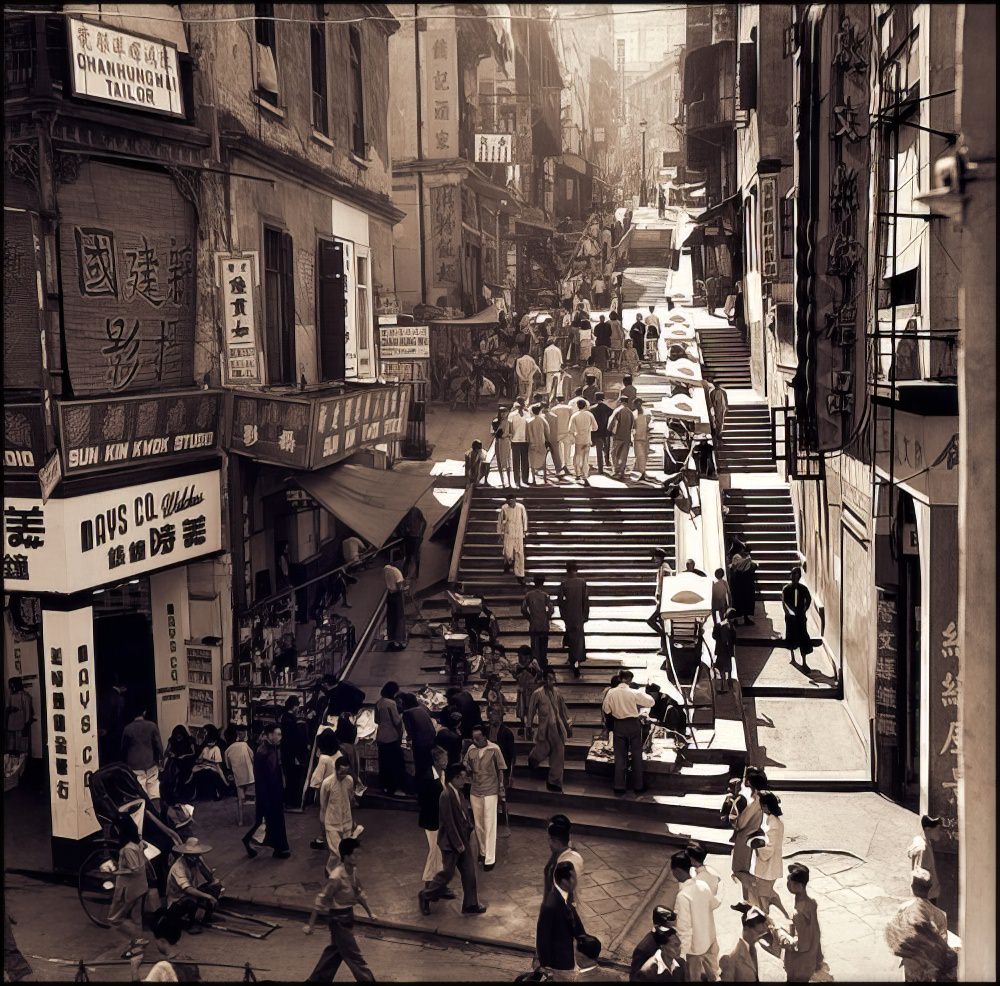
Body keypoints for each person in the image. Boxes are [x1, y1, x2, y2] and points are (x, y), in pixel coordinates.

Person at [419, 763, 487, 915]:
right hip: (451, 844)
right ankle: (425, 895)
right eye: (462, 778)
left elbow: (463, 814)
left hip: (463, 839)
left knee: (469, 873)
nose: (464, 781)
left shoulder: (459, 792)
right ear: (454, 778)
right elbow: (448, 823)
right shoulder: (445, 795)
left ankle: (470, 904)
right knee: (446, 875)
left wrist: (469, 828)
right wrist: (458, 844)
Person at [303, 837, 375, 982]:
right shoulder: (336, 877)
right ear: (346, 856)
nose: (358, 857)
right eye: (355, 855)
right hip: (338, 920)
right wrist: (310, 925)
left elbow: (358, 892)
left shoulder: (352, 870)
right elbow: (320, 900)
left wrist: (370, 912)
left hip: (348, 917)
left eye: (359, 854)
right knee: (355, 957)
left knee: (334, 953)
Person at [885, 869, 953, 982]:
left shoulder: (904, 909)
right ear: (930, 887)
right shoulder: (940, 915)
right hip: (929, 965)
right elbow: (943, 942)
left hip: (911, 963)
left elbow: (896, 936)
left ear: (912, 887)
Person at [107, 813, 156, 961]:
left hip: (128, 888)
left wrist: (117, 871)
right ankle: (137, 947)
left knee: (114, 918)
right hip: (140, 885)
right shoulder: (138, 842)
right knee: (136, 918)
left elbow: (133, 868)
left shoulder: (127, 848)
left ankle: (138, 939)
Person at [602, 669, 655, 795]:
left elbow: (606, 709)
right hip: (633, 725)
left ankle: (619, 786)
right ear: (630, 680)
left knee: (620, 757)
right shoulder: (633, 692)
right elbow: (651, 702)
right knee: (637, 756)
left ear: (620, 678)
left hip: (619, 725)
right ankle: (638, 786)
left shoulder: (611, 692)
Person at [463, 724, 507, 871]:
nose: (475, 740)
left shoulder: (494, 749)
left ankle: (490, 857)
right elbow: (465, 764)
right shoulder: (471, 749)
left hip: (490, 790)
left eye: (478, 738)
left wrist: (501, 787)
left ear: (485, 737)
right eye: (474, 738)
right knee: (479, 824)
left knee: (490, 824)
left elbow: (501, 769)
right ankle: (482, 852)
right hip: (475, 790)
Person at [671, 849, 720, 980]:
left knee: (694, 978)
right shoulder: (703, 884)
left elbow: (684, 929)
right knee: (713, 975)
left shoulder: (683, 896)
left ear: (677, 871)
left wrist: (681, 955)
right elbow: (714, 904)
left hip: (695, 949)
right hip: (709, 939)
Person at [242, 723, 289, 858]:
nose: (280, 737)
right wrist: (264, 796)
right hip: (267, 792)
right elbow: (261, 777)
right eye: (278, 734)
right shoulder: (262, 752)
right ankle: (278, 848)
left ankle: (280, 848)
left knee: (273, 821)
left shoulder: (273, 748)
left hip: (275, 790)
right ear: (269, 735)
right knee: (265, 821)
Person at [161, 838, 223, 940]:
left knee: (216, 885)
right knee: (191, 901)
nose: (196, 857)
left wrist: (203, 866)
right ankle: (191, 924)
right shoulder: (178, 867)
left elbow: (210, 878)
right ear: (186, 855)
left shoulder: (196, 860)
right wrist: (209, 897)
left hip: (190, 893)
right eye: (193, 855)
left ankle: (207, 916)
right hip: (177, 901)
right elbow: (187, 889)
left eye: (197, 854)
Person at [536, 861, 590, 978]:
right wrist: (546, 965)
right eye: (574, 878)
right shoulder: (551, 905)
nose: (576, 881)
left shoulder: (566, 894)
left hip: (568, 955)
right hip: (558, 963)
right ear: (565, 882)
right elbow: (542, 936)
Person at [773, 863, 824, 983]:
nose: (788, 885)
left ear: (800, 885)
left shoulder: (798, 914)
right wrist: (818, 956)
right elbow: (816, 932)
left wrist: (779, 934)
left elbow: (800, 945)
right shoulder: (811, 903)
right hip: (809, 961)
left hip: (798, 965)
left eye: (790, 882)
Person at [526, 670, 572, 792]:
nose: (551, 681)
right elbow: (530, 711)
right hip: (544, 729)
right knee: (541, 750)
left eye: (552, 678)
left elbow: (563, 710)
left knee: (558, 754)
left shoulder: (557, 692)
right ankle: (533, 758)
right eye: (548, 678)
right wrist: (528, 726)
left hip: (558, 728)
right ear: (544, 680)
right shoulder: (538, 693)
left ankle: (554, 781)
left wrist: (568, 725)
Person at [417, 746, 453, 894]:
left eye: (446, 758)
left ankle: (439, 885)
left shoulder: (443, 774)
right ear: (436, 761)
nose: (446, 762)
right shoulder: (427, 778)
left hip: (442, 821)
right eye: (443, 759)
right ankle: (427, 886)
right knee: (434, 851)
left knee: (440, 853)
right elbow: (424, 802)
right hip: (432, 821)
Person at [730, 766, 768, 903]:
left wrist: (734, 818)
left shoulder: (753, 801)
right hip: (751, 836)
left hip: (745, 837)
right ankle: (747, 900)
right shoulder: (761, 798)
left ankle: (755, 898)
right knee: (744, 869)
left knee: (739, 871)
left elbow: (740, 823)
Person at [749, 791, 789, 918]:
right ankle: (786, 915)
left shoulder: (774, 825)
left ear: (766, 807)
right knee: (769, 894)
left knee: (763, 898)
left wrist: (756, 847)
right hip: (769, 867)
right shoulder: (773, 822)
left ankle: (766, 923)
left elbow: (768, 849)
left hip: (768, 869)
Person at [121, 705, 164, 810]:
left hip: (135, 766)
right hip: (150, 763)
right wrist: (160, 760)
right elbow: (158, 745)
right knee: (154, 792)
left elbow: (123, 749)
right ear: (144, 712)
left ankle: (145, 819)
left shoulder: (127, 729)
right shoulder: (152, 726)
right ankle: (157, 816)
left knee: (141, 795)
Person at [320, 759, 358, 867]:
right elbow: (323, 806)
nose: (343, 775)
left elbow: (350, 800)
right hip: (332, 824)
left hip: (347, 821)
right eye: (341, 772)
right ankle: (331, 872)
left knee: (346, 852)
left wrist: (353, 821)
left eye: (346, 772)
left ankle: (341, 875)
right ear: (336, 770)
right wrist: (322, 824)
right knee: (336, 853)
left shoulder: (349, 780)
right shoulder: (327, 783)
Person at [309, 730, 343, 850]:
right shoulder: (339, 754)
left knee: (324, 814)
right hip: (339, 788)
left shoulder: (324, 759)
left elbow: (316, 780)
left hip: (326, 790)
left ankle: (324, 838)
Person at [631, 909, 686, 982]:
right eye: (669, 926)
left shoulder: (680, 963)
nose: (673, 927)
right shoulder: (643, 950)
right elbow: (635, 977)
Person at [720, 905, 771, 981]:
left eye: (762, 933)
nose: (760, 937)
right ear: (746, 929)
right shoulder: (730, 957)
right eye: (758, 932)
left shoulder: (757, 950)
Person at [557, 560, 590, 675]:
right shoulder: (582, 582)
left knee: (571, 639)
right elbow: (586, 600)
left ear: (567, 571)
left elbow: (560, 601)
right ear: (576, 570)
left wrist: (563, 615)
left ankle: (573, 661)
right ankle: (576, 662)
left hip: (569, 616)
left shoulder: (564, 583)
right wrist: (585, 615)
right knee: (579, 640)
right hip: (579, 615)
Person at [375, 681, 406, 796]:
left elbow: (376, 720)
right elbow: (397, 721)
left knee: (383, 763)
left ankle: (384, 787)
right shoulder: (391, 703)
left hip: (381, 736)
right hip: (391, 737)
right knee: (395, 763)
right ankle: (394, 788)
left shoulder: (378, 703)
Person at [542, 816, 585, 894]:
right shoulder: (566, 852)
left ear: (556, 841)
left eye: (549, 839)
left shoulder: (565, 866)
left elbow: (565, 895)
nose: (549, 843)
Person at [401, 692, 438, 780]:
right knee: (429, 765)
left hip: (421, 743)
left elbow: (410, 732)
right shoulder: (422, 708)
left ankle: (421, 785)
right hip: (431, 740)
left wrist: (408, 740)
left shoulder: (407, 713)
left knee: (420, 766)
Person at [782, 567, 813, 668]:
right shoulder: (786, 589)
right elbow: (784, 603)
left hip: (800, 617)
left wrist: (804, 610)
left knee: (803, 637)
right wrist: (788, 613)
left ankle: (804, 661)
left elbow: (808, 600)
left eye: (797, 575)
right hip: (791, 618)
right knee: (791, 636)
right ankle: (792, 657)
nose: (795, 577)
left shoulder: (803, 589)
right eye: (793, 575)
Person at [522, 575, 554, 672]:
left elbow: (523, 609)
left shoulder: (528, 595)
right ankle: (543, 666)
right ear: (543, 583)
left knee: (534, 647)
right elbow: (551, 609)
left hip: (534, 625)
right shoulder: (545, 595)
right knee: (543, 647)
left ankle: (535, 667)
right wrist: (546, 617)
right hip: (544, 625)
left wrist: (530, 618)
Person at [190, 724, 230, 802]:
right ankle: (197, 793)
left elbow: (221, 760)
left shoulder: (220, 744)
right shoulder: (205, 744)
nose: (204, 734)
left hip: (217, 766)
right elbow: (200, 755)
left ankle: (216, 792)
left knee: (210, 773)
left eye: (205, 732)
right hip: (204, 765)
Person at [497, 494, 529, 584]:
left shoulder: (521, 507)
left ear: (515, 499)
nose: (511, 501)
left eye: (512, 499)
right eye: (509, 500)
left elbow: (524, 518)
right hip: (508, 533)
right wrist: (500, 533)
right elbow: (500, 522)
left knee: (519, 554)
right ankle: (507, 564)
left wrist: (525, 531)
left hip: (518, 533)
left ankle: (520, 575)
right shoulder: (504, 508)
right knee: (508, 553)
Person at [568, 398, 598, 485]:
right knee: (585, 458)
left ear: (577, 406)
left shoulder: (574, 415)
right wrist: (588, 429)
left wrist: (576, 433)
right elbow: (595, 427)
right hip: (587, 439)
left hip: (578, 439)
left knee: (577, 456)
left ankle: (577, 474)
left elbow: (570, 429)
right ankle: (585, 475)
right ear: (585, 405)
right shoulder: (589, 415)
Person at [515, 646, 543, 734]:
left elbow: (540, 674)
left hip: (531, 690)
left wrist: (536, 676)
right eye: (519, 656)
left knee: (530, 708)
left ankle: (529, 726)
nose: (519, 657)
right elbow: (517, 677)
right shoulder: (518, 665)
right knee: (521, 708)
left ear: (527, 656)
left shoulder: (533, 663)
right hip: (522, 689)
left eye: (521, 656)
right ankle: (522, 724)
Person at [4, 677, 34, 757]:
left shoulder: (25, 697)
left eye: (12, 686)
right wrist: (10, 709)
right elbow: (7, 708)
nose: (10, 688)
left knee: (21, 749)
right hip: (11, 726)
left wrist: (26, 726)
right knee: (11, 748)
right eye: (9, 686)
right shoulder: (10, 696)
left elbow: (28, 713)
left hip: (21, 727)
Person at [729, 550, 759, 626]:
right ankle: (745, 619)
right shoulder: (749, 567)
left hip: (737, 590)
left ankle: (737, 620)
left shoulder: (734, 570)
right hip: (746, 590)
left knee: (737, 604)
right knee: (746, 604)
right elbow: (755, 566)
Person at [609, 395, 635, 479]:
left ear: (620, 401)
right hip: (626, 436)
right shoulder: (630, 412)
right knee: (624, 455)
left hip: (618, 436)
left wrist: (611, 432)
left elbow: (612, 424)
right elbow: (632, 425)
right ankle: (622, 471)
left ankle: (616, 470)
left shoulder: (617, 411)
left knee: (614, 453)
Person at [712, 609, 738, 693]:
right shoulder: (728, 627)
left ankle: (722, 687)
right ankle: (724, 687)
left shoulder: (721, 626)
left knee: (722, 669)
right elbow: (734, 640)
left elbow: (715, 636)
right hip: (724, 651)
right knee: (724, 669)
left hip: (722, 650)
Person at [383, 563, 407, 650]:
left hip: (390, 595)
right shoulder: (397, 572)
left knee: (391, 618)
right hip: (397, 596)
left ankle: (391, 640)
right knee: (399, 618)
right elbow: (400, 587)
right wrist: (406, 588)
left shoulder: (386, 569)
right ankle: (399, 641)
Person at [549, 394, 575, 474]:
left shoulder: (553, 409)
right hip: (567, 432)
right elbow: (571, 420)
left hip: (557, 432)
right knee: (567, 451)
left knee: (559, 452)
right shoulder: (569, 408)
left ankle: (561, 466)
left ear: (557, 400)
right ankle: (566, 466)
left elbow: (553, 421)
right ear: (564, 400)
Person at [509, 399, 531, 487]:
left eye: (523, 404)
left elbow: (528, 427)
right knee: (516, 461)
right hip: (515, 441)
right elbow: (510, 428)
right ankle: (517, 480)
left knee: (525, 461)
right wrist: (511, 437)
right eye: (521, 404)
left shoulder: (527, 414)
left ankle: (525, 479)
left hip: (525, 440)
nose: (522, 405)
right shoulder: (512, 415)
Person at [527, 403, 550, 484]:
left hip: (532, 443)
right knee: (543, 461)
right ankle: (545, 478)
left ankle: (533, 479)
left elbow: (529, 433)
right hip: (541, 442)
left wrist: (531, 442)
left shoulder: (529, 421)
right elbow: (547, 432)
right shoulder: (543, 420)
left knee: (532, 461)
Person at [589, 392, 612, 474]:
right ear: (603, 398)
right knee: (606, 449)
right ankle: (607, 461)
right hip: (605, 432)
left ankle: (600, 468)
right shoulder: (607, 408)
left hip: (596, 432)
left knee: (598, 451)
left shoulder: (591, 409)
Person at [492, 405, 514, 488]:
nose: (503, 414)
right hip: (498, 442)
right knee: (500, 462)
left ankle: (509, 482)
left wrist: (507, 435)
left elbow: (512, 432)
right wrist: (499, 433)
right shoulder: (495, 421)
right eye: (502, 413)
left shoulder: (509, 422)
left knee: (508, 462)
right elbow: (492, 433)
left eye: (505, 413)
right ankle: (502, 481)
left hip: (506, 442)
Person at [631, 398, 651, 481]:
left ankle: (642, 472)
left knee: (644, 455)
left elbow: (650, 424)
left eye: (639, 404)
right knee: (640, 456)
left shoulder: (647, 413)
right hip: (637, 438)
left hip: (645, 437)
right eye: (637, 404)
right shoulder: (634, 414)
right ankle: (642, 472)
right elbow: (632, 426)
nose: (638, 406)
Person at [543, 336, 564, 401]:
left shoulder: (546, 350)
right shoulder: (558, 349)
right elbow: (561, 361)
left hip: (549, 370)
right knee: (557, 386)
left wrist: (544, 369)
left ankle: (548, 400)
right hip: (557, 370)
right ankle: (555, 400)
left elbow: (545, 361)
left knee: (549, 386)